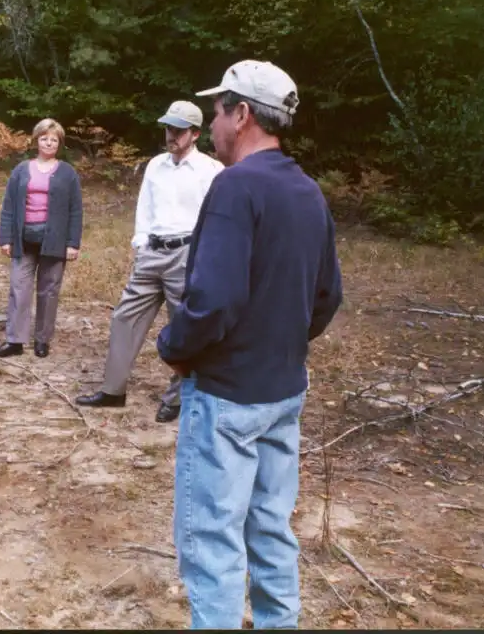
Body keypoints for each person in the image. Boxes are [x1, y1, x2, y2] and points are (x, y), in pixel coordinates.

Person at [157, 61, 343, 629]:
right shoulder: (308, 190)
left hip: (228, 397)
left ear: (241, 115)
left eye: (216, 111)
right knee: (270, 528)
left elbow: (212, 301)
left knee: (212, 542)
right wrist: (280, 341)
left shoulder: (234, 186)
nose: (212, 124)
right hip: (284, 390)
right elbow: (327, 296)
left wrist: (174, 347)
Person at [76, 101, 223, 422]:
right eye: (169, 128)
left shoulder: (211, 171)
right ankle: (113, 390)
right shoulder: (156, 165)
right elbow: (145, 206)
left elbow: (215, 217)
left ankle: (178, 398)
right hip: (152, 252)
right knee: (124, 317)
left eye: (179, 130)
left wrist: (202, 257)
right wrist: (141, 243)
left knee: (184, 326)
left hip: (186, 253)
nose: (171, 135)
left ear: (195, 134)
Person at [0, 118, 83, 359]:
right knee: (19, 288)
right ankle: (15, 341)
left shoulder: (67, 173)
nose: (49, 143)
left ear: (59, 143)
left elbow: (75, 210)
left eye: (54, 139)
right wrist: (6, 238)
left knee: (49, 291)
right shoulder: (21, 170)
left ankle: (42, 340)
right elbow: (9, 206)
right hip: (24, 240)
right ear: (36, 141)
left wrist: (73, 243)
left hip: (55, 241)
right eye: (44, 138)